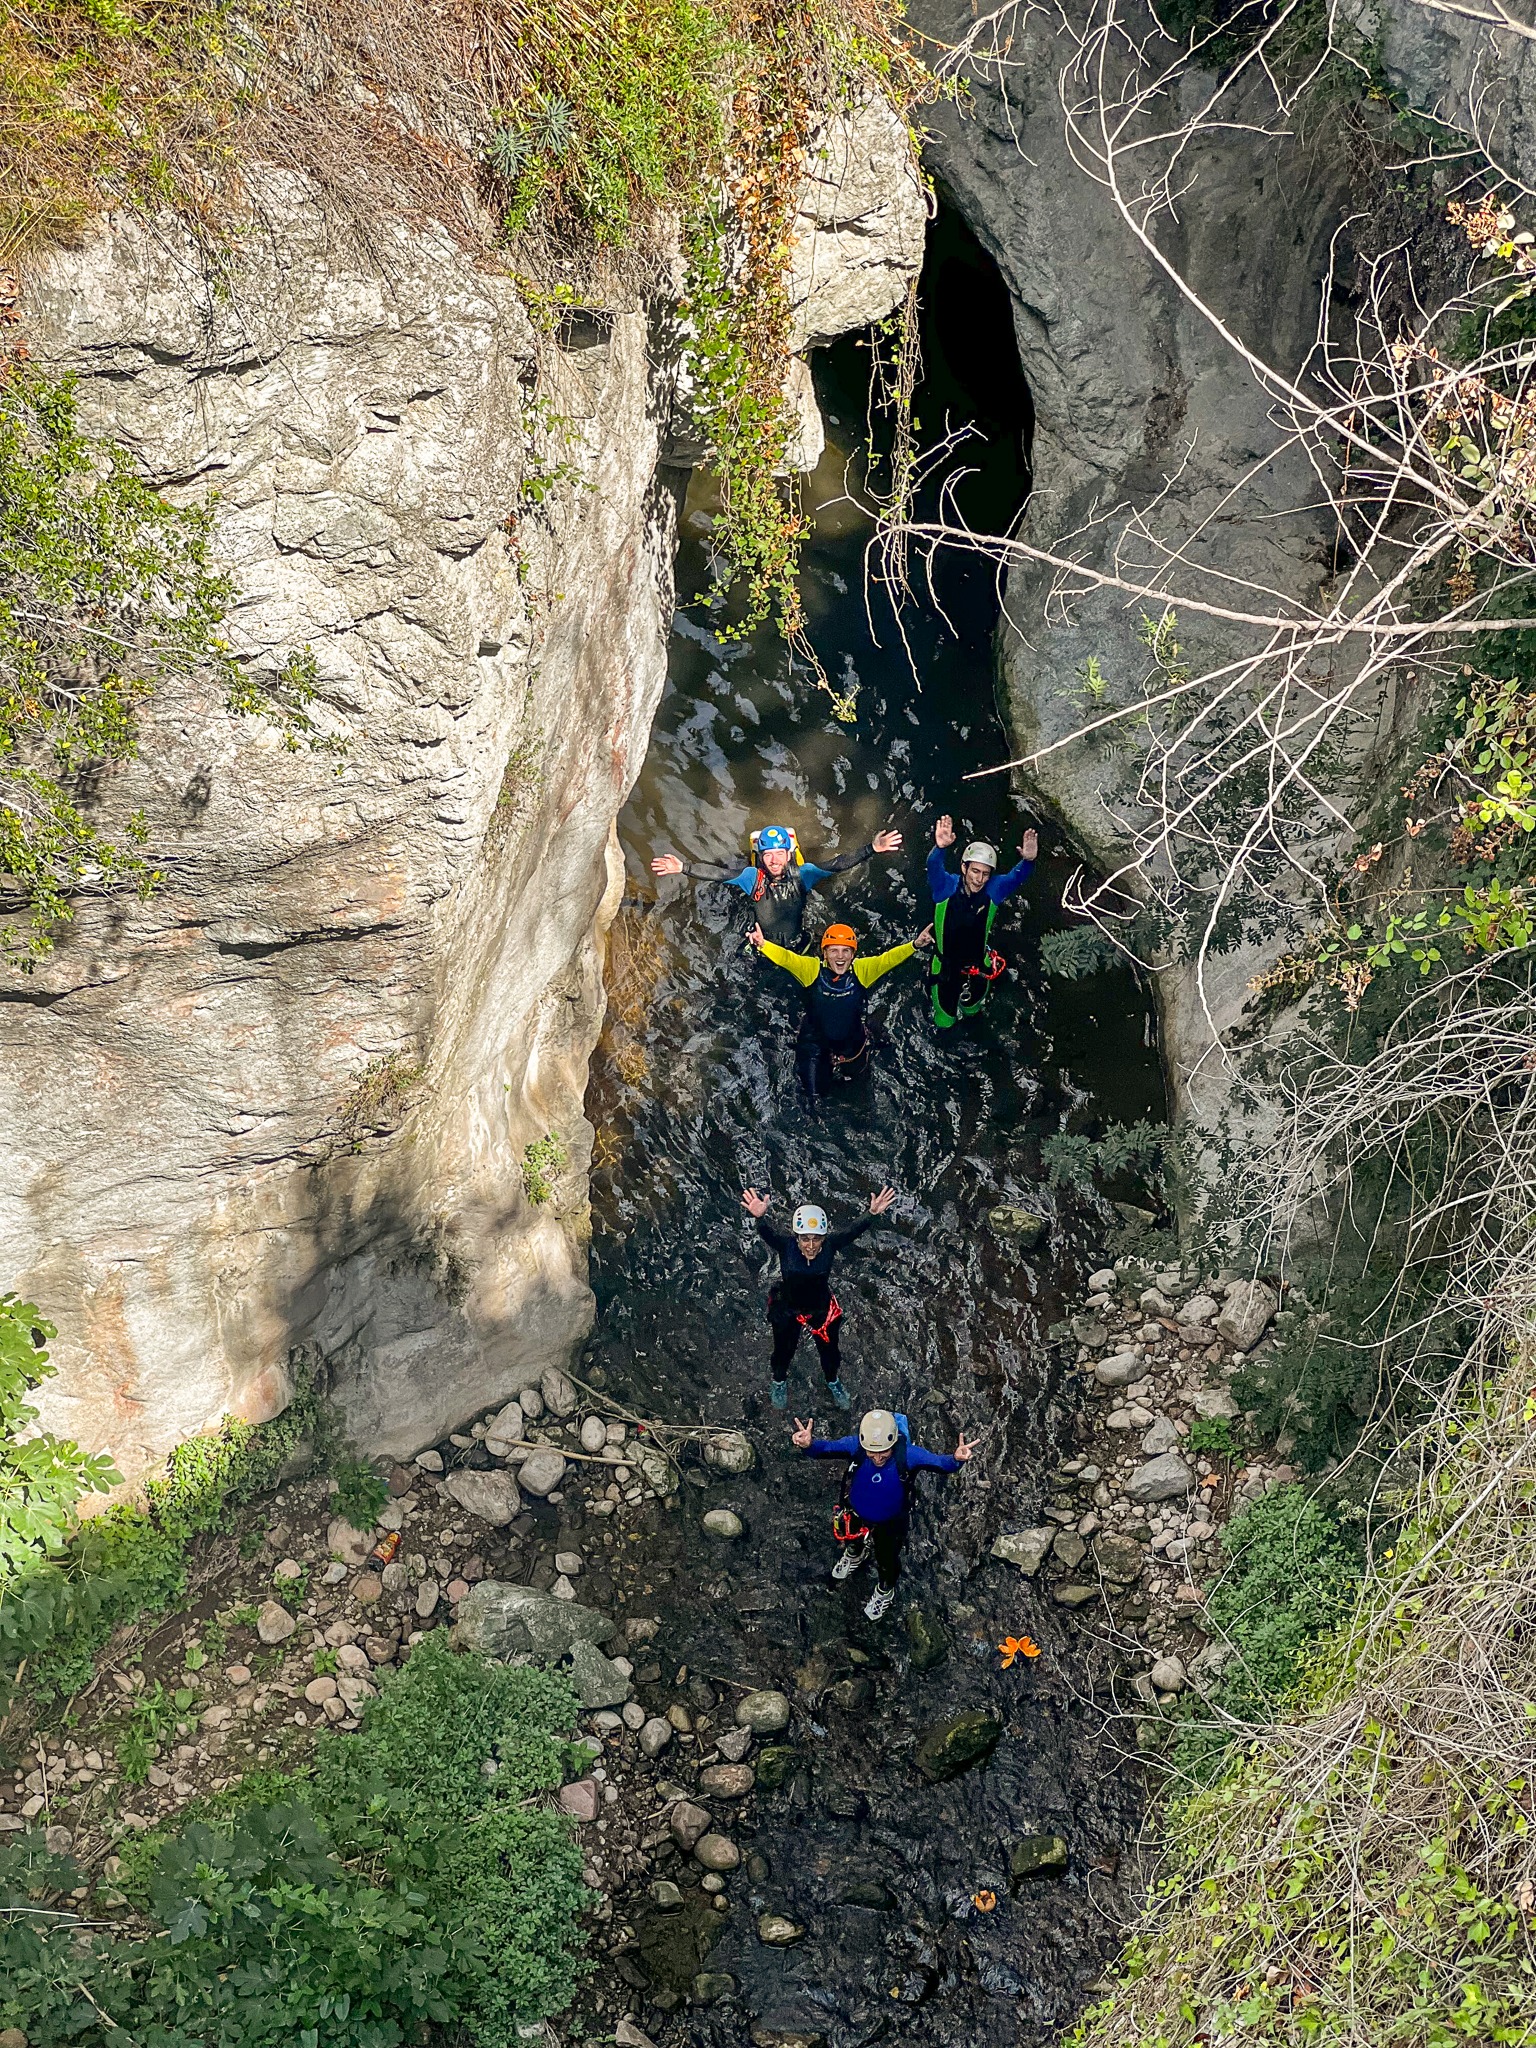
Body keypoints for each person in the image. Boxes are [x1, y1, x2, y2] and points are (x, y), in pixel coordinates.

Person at [791, 1408, 978, 1621]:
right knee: (852, 1538)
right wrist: (809, 1445)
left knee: (886, 1559)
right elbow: (826, 1448)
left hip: (890, 1521)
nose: (878, 1458)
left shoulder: (907, 1455)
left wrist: (956, 1459)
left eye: (884, 1451)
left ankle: (885, 1590)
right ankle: (855, 1554)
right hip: (855, 1510)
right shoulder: (857, 1447)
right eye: (872, 1451)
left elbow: (939, 1463)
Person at [750, 919, 930, 1111]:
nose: (840, 957)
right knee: (813, 1100)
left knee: (861, 1091)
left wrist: (915, 945)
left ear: (853, 954)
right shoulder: (810, 969)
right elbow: (787, 958)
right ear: (825, 953)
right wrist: (764, 945)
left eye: (846, 951)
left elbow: (888, 959)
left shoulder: (862, 970)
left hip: (852, 1044)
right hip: (815, 1045)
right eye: (834, 950)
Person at [742, 1185, 894, 1409]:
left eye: (816, 1239)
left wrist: (871, 1213)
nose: (811, 1246)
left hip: (821, 1310)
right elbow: (766, 1233)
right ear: (797, 1237)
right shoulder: (786, 1246)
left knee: (830, 1353)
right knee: (783, 1351)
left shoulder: (831, 1245)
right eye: (805, 1239)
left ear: (823, 1238)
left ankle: (832, 1381)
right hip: (788, 1308)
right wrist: (760, 1217)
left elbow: (853, 1231)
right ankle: (779, 1381)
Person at [650, 823, 904, 947]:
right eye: (768, 855)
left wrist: (871, 848)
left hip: (797, 941)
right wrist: (684, 867)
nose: (773, 861)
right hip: (761, 943)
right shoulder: (752, 877)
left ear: (788, 855)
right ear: (760, 857)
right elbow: (719, 874)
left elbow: (837, 864)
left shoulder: (804, 874)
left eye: (779, 854)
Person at [926, 815, 1040, 1029]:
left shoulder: (994, 890)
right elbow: (933, 866)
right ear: (964, 868)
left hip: (978, 967)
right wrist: (939, 848)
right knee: (944, 1020)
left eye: (985, 874)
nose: (979, 879)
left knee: (974, 1010)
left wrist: (1028, 861)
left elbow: (1017, 877)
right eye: (975, 871)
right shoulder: (945, 888)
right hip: (945, 969)